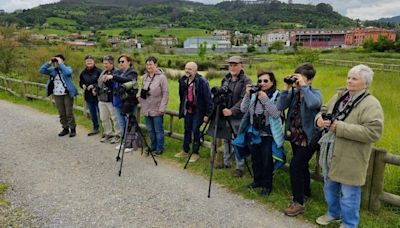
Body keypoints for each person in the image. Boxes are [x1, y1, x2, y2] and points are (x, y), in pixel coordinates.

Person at [315, 64, 384, 228]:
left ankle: (349, 223)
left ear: (366, 84)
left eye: (354, 78)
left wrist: (340, 128)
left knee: (349, 194)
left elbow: (373, 132)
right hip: (331, 152)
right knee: (329, 188)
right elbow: (323, 109)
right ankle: (333, 213)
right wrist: (319, 119)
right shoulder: (340, 95)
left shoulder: (371, 104)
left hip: (351, 157)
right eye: (348, 77)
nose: (349, 81)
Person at [277, 63, 322, 216]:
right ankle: (305, 193)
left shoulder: (315, 93)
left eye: (300, 77)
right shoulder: (294, 94)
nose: (297, 80)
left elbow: (313, 104)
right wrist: (286, 88)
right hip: (295, 136)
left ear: (309, 80)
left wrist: (304, 87)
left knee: (295, 166)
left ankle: (298, 203)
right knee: (302, 167)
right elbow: (279, 106)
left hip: (309, 138)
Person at [239, 70, 283, 196]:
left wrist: (265, 99)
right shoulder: (254, 94)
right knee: (255, 159)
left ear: (272, 82)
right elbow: (243, 109)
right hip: (254, 132)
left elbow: (276, 114)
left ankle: (267, 185)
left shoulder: (277, 95)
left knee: (267, 161)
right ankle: (257, 181)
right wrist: (247, 95)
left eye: (265, 81)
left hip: (268, 134)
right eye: (259, 81)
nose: (262, 83)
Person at [215, 56, 252, 178]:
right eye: (230, 65)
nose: (232, 67)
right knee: (226, 139)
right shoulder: (226, 79)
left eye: (235, 64)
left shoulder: (246, 81)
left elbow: (244, 99)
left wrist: (232, 111)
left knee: (238, 141)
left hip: (240, 116)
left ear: (241, 65)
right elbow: (223, 94)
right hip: (226, 115)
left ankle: (240, 167)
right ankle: (227, 162)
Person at [174, 62, 213, 162]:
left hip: (199, 111)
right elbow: (181, 96)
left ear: (195, 70)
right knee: (187, 129)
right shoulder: (183, 81)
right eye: (186, 68)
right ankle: (185, 150)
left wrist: (208, 114)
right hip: (188, 110)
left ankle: (195, 153)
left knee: (195, 130)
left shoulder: (202, 82)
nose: (187, 71)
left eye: (190, 69)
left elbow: (208, 99)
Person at [103, 54, 138, 152]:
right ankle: (123, 142)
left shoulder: (132, 72)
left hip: (128, 102)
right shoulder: (117, 72)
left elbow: (127, 80)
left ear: (129, 62)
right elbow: (112, 85)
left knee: (129, 123)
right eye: (119, 62)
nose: (120, 63)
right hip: (117, 101)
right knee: (121, 124)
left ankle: (131, 144)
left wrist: (113, 76)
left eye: (123, 61)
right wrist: (106, 80)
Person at [39, 54, 78, 137]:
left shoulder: (67, 68)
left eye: (58, 61)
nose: (57, 63)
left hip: (67, 94)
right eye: (56, 62)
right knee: (61, 113)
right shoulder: (52, 70)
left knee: (69, 113)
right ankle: (65, 128)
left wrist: (61, 63)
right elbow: (41, 70)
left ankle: (73, 129)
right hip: (57, 94)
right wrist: (50, 62)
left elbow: (67, 72)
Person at [139, 56, 169, 155]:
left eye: (151, 64)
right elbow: (141, 90)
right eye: (147, 64)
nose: (149, 66)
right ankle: (153, 146)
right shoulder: (144, 77)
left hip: (157, 108)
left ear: (156, 65)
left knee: (158, 130)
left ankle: (160, 148)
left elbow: (165, 93)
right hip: (146, 108)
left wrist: (162, 107)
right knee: (150, 130)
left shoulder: (162, 77)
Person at [97, 55, 121, 144]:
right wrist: (96, 89)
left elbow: (116, 85)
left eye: (106, 63)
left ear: (111, 63)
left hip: (112, 99)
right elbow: (99, 83)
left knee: (115, 118)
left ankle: (118, 134)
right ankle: (108, 133)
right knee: (103, 118)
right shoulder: (103, 72)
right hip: (102, 98)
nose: (105, 65)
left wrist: (108, 81)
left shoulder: (117, 72)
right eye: (104, 63)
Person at [79, 55, 102, 136]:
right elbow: (81, 82)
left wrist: (94, 85)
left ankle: (105, 130)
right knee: (92, 113)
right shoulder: (83, 72)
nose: (89, 62)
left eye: (90, 61)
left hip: (98, 95)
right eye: (87, 61)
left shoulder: (99, 71)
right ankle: (96, 128)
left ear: (94, 61)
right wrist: (83, 85)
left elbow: (102, 82)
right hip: (88, 96)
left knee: (101, 113)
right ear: (85, 62)